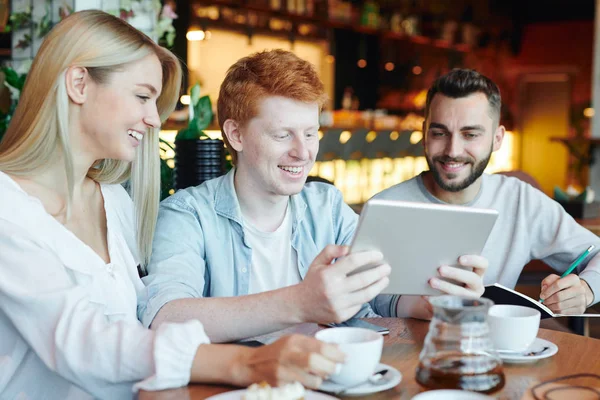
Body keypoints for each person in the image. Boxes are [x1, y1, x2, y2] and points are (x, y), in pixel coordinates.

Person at [0, 11, 344, 400]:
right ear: (79, 83)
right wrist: (244, 364)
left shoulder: (112, 200)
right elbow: (79, 341)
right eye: (143, 96)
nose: (153, 119)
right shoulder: (6, 209)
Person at [139, 50, 487, 342]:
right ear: (236, 134)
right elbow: (167, 317)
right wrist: (300, 303)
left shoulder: (326, 205)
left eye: (310, 133)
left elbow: (380, 293)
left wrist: (429, 303)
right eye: (282, 135)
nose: (303, 152)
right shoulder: (187, 215)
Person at [374, 68, 599, 315]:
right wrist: (413, 306)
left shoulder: (520, 201)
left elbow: (595, 252)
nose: (453, 150)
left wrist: (587, 288)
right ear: (424, 133)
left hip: (490, 348)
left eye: (470, 134)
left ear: (497, 139)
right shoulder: (385, 207)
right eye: (439, 133)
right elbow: (361, 303)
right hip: (399, 350)